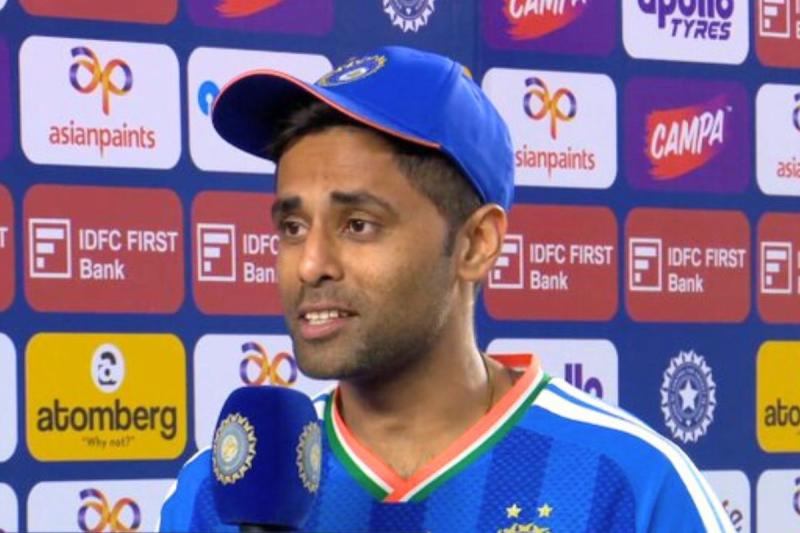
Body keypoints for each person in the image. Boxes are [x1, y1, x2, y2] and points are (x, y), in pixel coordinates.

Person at [159, 46, 734, 532]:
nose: (310, 265)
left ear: (476, 243)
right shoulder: (217, 491)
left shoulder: (631, 484)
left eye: (358, 224)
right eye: (292, 227)